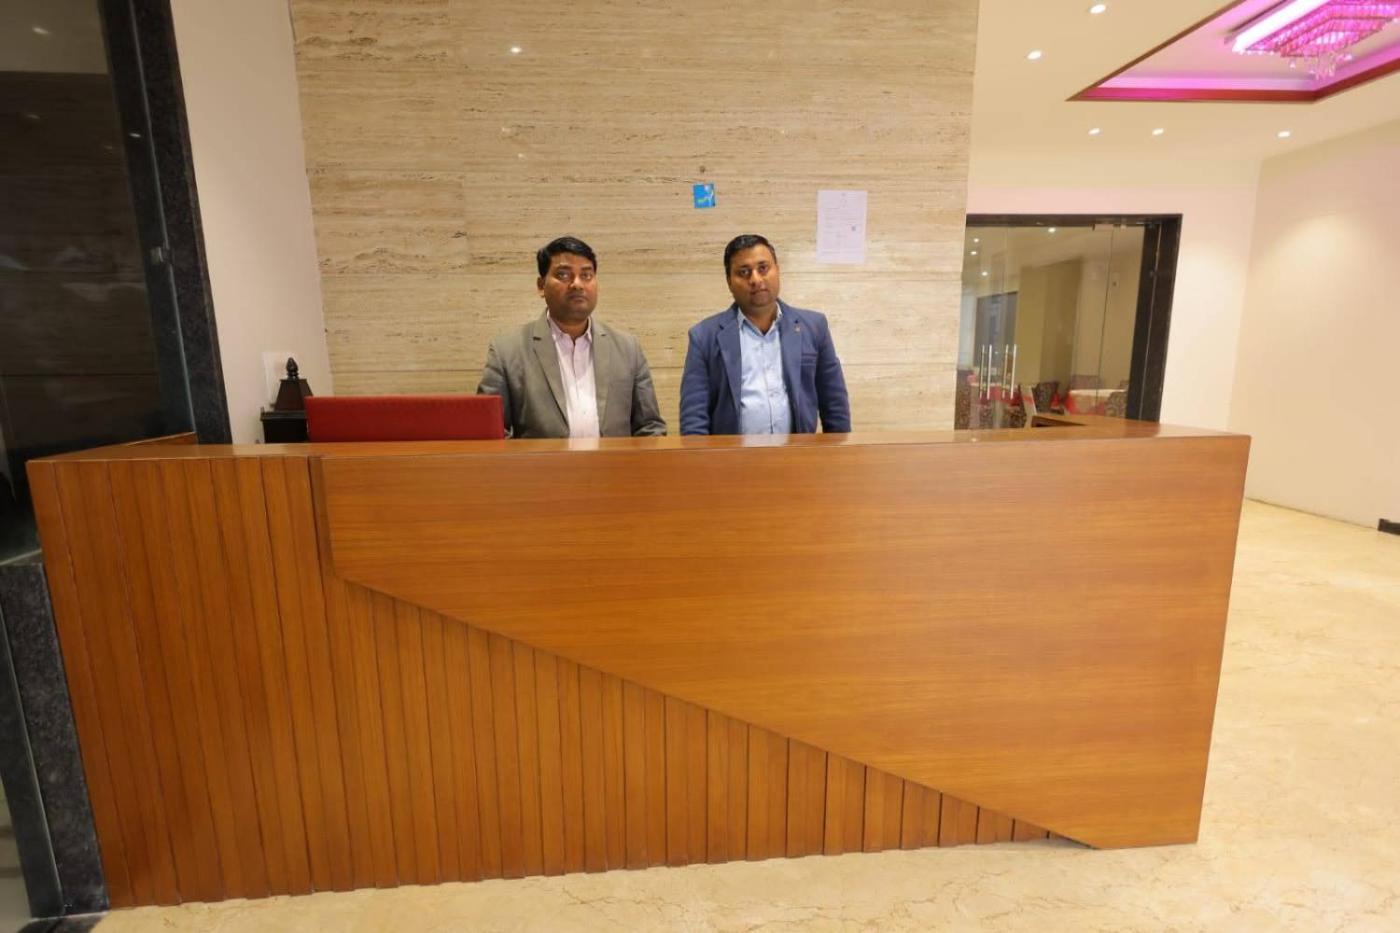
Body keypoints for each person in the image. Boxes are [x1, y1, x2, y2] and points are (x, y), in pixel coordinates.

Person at [477, 236, 666, 438]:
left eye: (586, 275)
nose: (577, 284)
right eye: (564, 275)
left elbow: (650, 428)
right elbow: (490, 433)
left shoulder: (627, 349)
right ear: (541, 286)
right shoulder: (507, 351)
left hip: (613, 460)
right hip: (543, 461)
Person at [679, 234, 850, 435]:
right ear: (729, 282)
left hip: (796, 452)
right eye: (744, 272)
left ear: (777, 270)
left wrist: (837, 452)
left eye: (763, 268)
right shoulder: (704, 337)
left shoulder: (813, 327)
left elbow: (835, 406)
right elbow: (693, 419)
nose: (755, 279)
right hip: (732, 454)